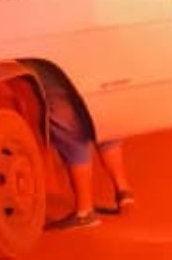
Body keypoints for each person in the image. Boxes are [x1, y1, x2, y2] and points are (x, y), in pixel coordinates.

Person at [36, 66, 135, 231]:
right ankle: (123, 190)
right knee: (101, 119)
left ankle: (84, 211)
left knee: (69, 131)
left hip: (53, 64)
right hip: (91, 64)